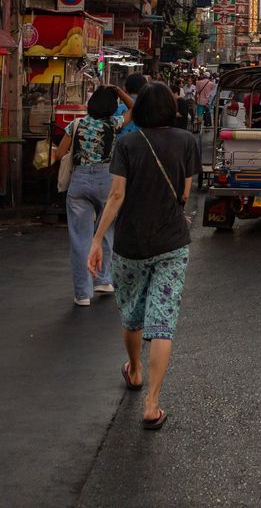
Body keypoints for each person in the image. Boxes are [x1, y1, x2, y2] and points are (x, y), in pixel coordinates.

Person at [87, 81, 201, 431]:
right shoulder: (187, 142)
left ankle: (134, 370)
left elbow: (117, 195)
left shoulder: (127, 143)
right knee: (162, 322)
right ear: (171, 109)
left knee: (133, 314)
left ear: (139, 111)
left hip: (130, 244)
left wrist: (95, 241)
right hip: (171, 243)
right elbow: (184, 192)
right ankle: (152, 404)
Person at [52, 85, 121, 306]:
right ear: (111, 106)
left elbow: (60, 154)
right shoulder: (114, 123)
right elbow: (136, 109)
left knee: (79, 238)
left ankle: (83, 293)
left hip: (79, 181)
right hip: (105, 180)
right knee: (106, 230)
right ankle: (103, 279)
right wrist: (119, 92)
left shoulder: (77, 124)